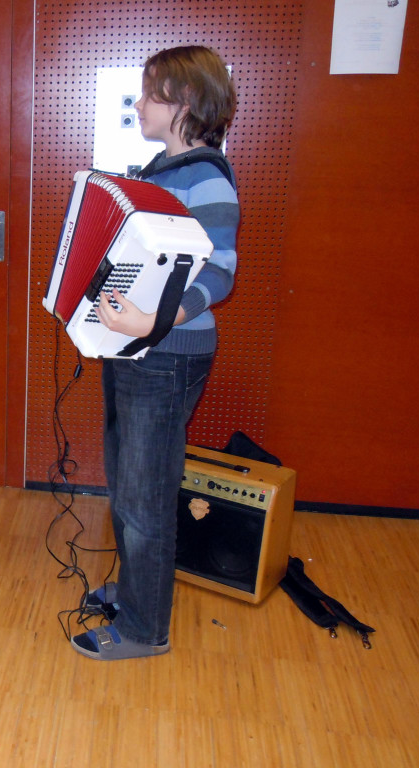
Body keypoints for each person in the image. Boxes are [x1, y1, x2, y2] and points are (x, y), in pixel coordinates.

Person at [71, 46, 240, 659]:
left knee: (146, 498)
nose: (139, 104)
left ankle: (146, 630)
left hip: (169, 353)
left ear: (185, 101)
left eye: (150, 93)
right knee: (126, 486)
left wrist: (154, 320)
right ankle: (137, 593)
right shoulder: (156, 172)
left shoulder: (206, 177)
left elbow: (219, 274)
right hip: (136, 349)